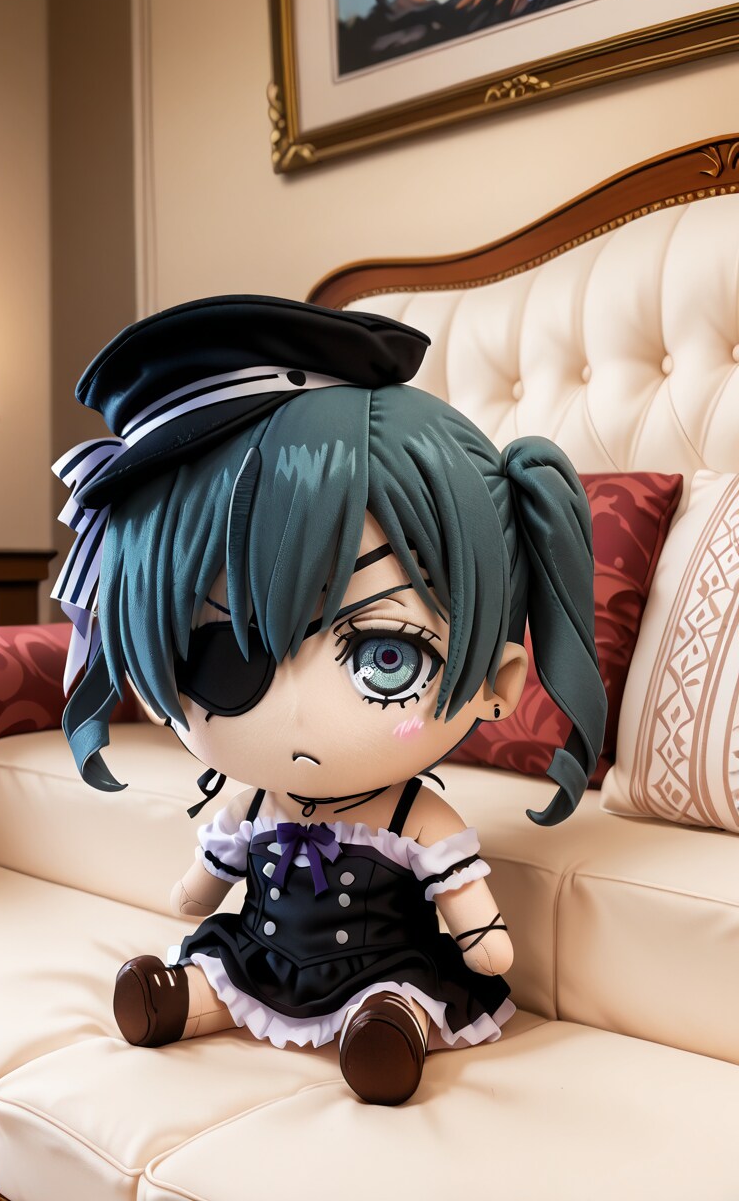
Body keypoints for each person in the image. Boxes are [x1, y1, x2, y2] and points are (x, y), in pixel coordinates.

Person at [53, 295, 606, 1105]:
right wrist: (195, 896)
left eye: (388, 657)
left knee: (402, 996)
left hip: (380, 964)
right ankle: (182, 999)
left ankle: (386, 1031)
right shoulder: (254, 804)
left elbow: (471, 917)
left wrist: (482, 936)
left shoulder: (411, 817)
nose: (295, 710)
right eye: (226, 652)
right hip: (263, 952)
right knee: (219, 967)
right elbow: (200, 888)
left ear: (497, 686)